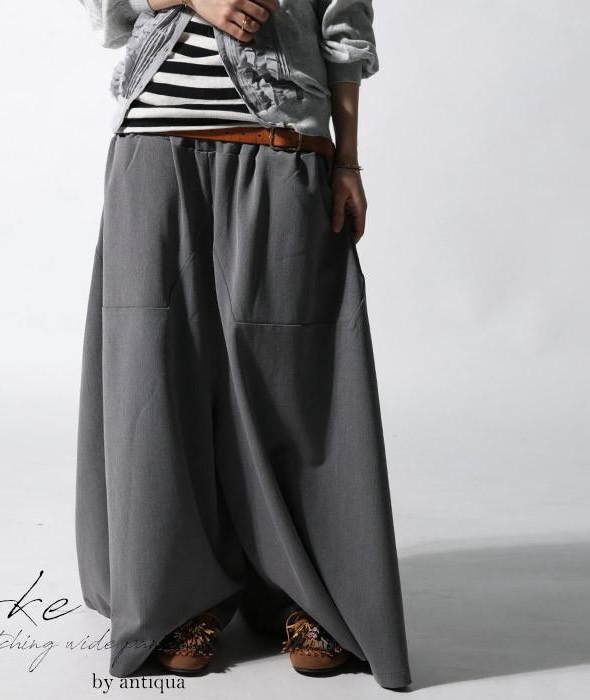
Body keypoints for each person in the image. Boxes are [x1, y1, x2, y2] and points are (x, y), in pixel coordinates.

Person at [74, 0, 412, 689]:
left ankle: (308, 597)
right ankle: (177, 599)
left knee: (295, 381)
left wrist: (348, 162)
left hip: (280, 139)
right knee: (156, 378)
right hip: (155, 145)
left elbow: (344, 30)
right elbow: (107, 10)